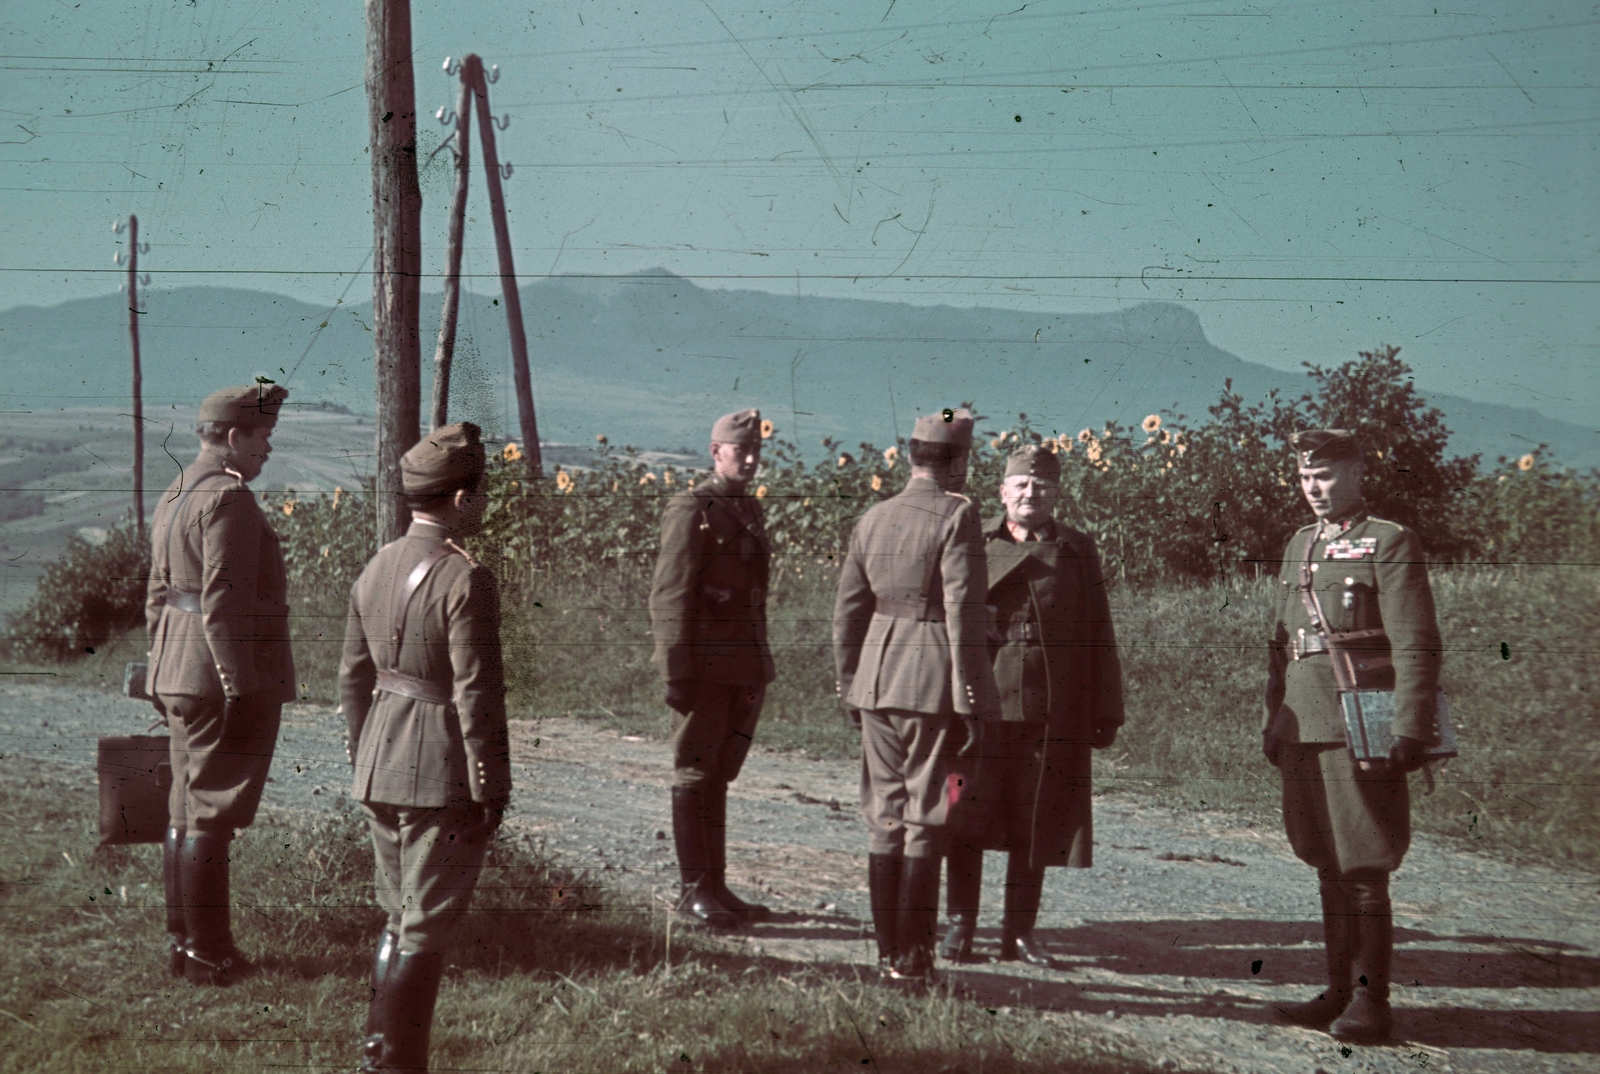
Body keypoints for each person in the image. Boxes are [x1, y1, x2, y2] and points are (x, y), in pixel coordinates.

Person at [338, 423, 511, 1073]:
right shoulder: (465, 578)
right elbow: (478, 695)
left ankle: (379, 1057)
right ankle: (395, 1065)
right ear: (461, 500)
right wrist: (491, 784)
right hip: (441, 773)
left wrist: (366, 755)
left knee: (399, 915)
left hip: (382, 760)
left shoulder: (377, 565)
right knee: (426, 926)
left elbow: (352, 679)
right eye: (481, 492)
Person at [1263, 429, 1445, 1044]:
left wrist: (1410, 726)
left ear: (1358, 473)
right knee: (1324, 858)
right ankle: (1339, 991)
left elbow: (1416, 641)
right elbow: (1281, 645)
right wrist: (1273, 716)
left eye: (1328, 474)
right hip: (1303, 720)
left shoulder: (1390, 542)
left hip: (1361, 723)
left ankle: (1372, 1003)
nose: (1315, 488)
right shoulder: (1299, 544)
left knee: (1364, 860)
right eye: (1305, 476)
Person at [939, 444, 1124, 967]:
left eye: (1041, 486)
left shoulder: (1077, 550)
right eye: (1020, 484)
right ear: (1002, 492)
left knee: (1036, 822)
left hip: (1050, 709)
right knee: (966, 818)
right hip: (981, 705)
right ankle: (960, 926)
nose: (1029, 493)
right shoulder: (973, 542)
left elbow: (1097, 633)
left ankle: (1019, 932)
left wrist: (1105, 709)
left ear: (1056, 494)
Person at [833, 408, 1001, 981]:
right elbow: (963, 611)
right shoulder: (960, 513)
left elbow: (848, 611)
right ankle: (912, 960)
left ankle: (887, 956)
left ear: (911, 457)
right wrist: (974, 696)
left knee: (885, 813)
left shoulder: (874, 516)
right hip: (931, 682)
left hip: (875, 680)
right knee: (926, 817)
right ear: (959, 460)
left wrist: (849, 680)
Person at [145, 382, 295, 985]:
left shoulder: (177, 488)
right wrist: (239, 687)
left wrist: (156, 665)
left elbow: (158, 593)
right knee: (209, 812)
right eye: (263, 439)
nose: (268, 451)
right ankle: (210, 953)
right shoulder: (230, 500)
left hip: (179, 670)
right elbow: (224, 604)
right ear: (234, 438)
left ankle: (185, 946)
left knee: (186, 806)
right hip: (216, 675)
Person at [648, 408, 775, 929]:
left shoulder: (745, 508)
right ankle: (692, 890)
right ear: (714, 451)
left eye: (754, 452)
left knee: (719, 774)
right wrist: (676, 671)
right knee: (695, 771)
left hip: (742, 663)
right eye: (737, 450)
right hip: (703, 667)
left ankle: (715, 886)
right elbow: (669, 594)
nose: (747, 459)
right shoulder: (692, 509)